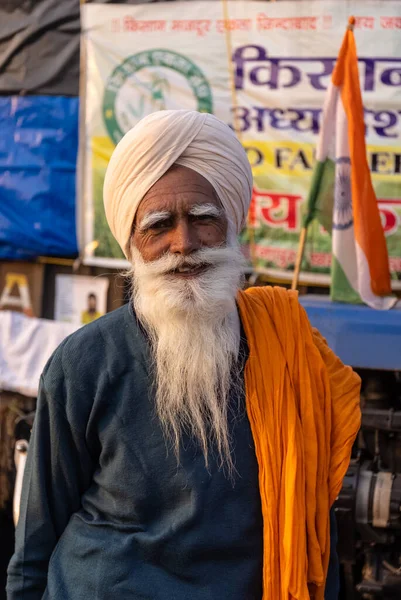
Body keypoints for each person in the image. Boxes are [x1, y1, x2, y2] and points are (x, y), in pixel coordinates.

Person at [7, 110, 361, 600]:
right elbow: (35, 538)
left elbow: (314, 527)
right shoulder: (82, 362)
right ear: (131, 242)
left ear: (232, 223)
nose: (184, 244)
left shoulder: (288, 356)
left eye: (203, 219)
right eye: (159, 226)